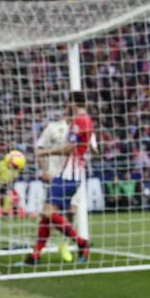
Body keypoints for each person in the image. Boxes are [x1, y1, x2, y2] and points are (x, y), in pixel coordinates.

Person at [23, 92, 93, 265]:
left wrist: (44, 152)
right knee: (46, 215)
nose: (66, 106)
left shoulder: (79, 121)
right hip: (72, 174)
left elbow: (69, 148)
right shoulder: (87, 120)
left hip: (68, 174)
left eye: (68, 103)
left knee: (48, 212)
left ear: (73, 104)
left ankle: (81, 243)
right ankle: (35, 256)